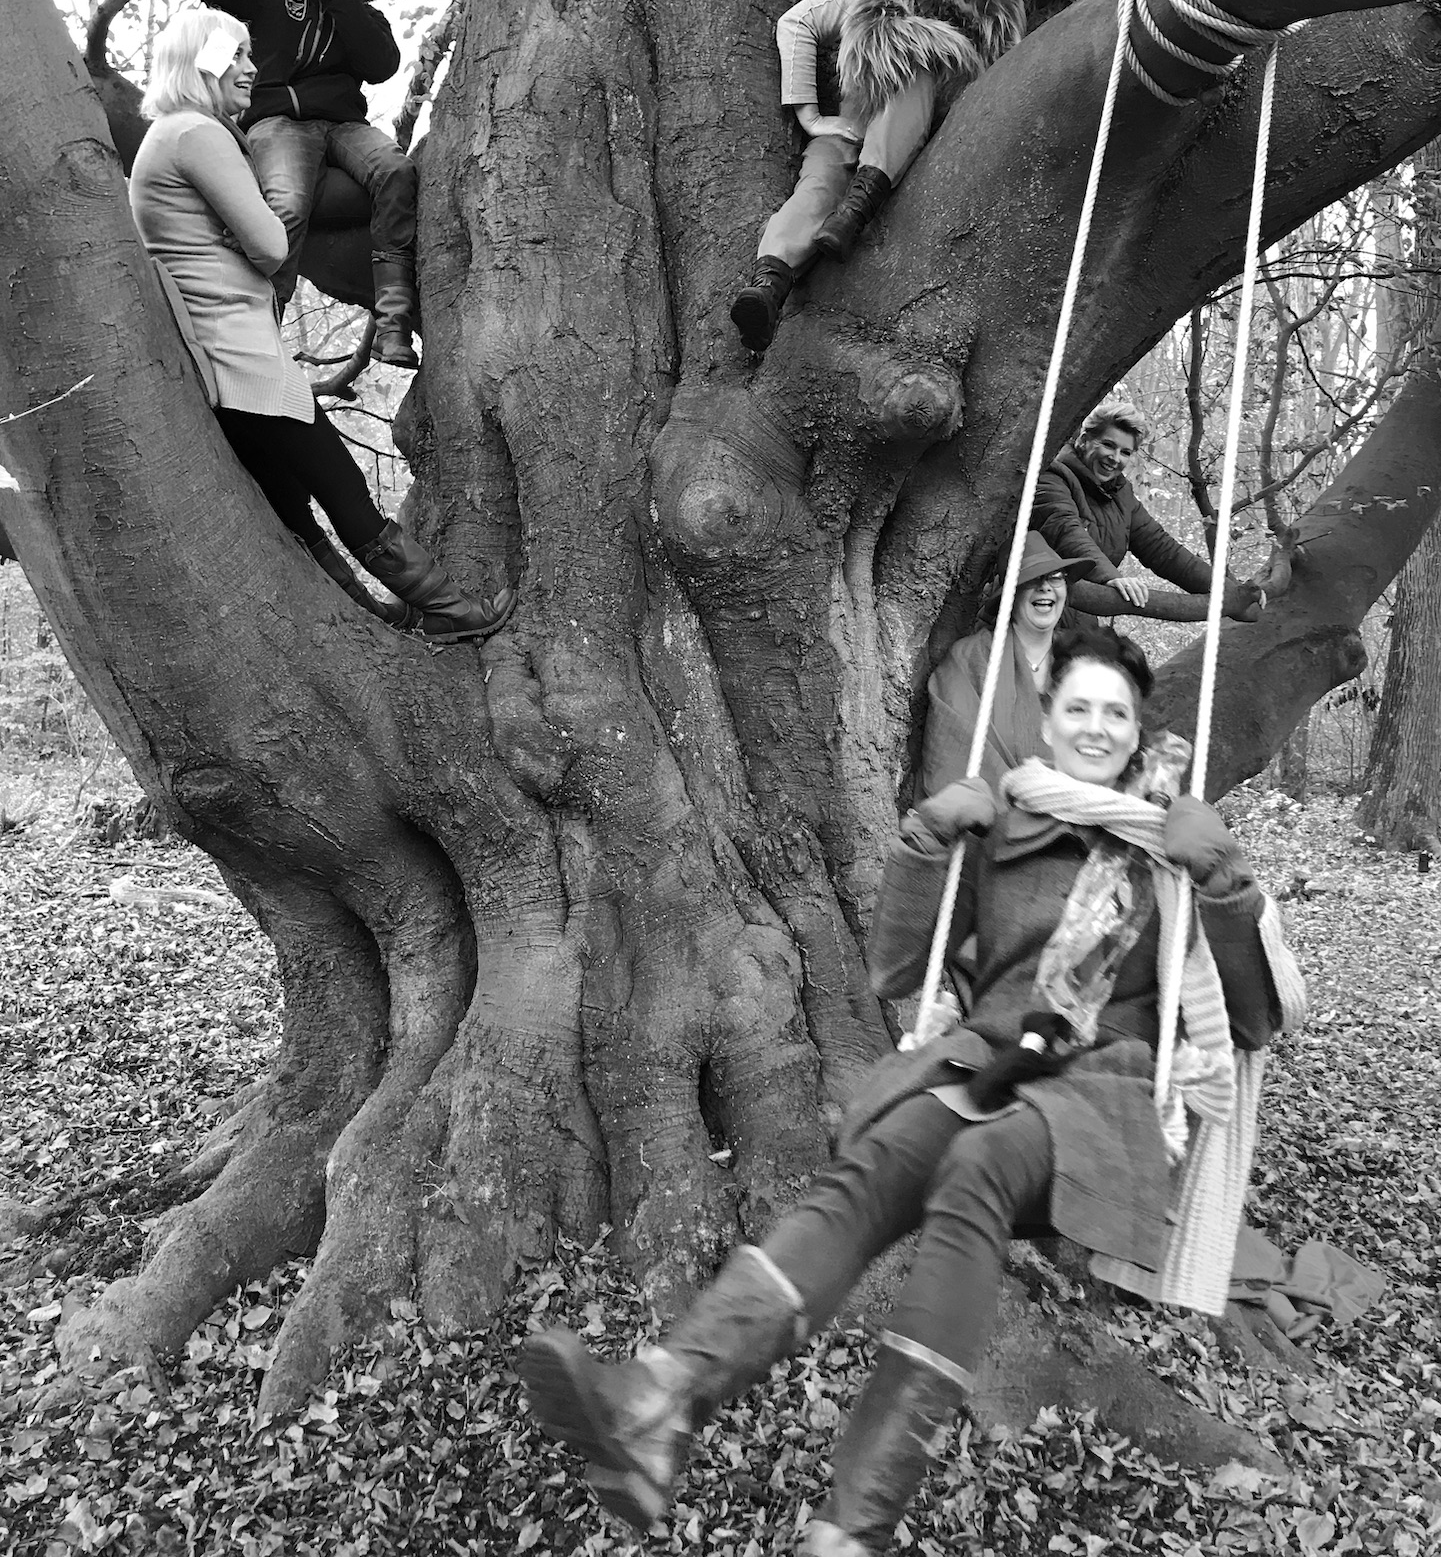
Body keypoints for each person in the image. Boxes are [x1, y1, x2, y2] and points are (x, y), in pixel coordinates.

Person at [518, 627, 1302, 1555]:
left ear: (1137, 731)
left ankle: (856, 1525)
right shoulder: (1009, 827)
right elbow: (896, 966)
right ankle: (659, 1404)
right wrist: (927, 842)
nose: (1096, 727)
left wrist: (1223, 881)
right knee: (876, 1165)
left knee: (979, 1164)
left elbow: (1252, 1020)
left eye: (1116, 714)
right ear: (1047, 719)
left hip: (1101, 1093)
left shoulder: (1167, 843)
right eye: (1078, 708)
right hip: (987, 1066)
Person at [128, 7, 512, 642]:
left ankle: (380, 620)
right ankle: (450, 612)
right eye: (236, 56)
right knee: (342, 487)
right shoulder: (195, 133)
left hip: (220, 361)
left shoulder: (167, 136)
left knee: (293, 510)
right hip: (243, 359)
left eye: (249, 54)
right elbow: (272, 245)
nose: (251, 68)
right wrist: (253, 231)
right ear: (203, 64)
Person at [730, 0, 1112, 353]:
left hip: (932, 127)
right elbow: (799, 20)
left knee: (922, 68)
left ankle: (857, 206)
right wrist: (810, 116)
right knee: (817, 184)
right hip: (859, 112)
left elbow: (1102, 2)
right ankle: (768, 287)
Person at [142, 0, 422, 369]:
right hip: (280, 125)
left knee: (397, 170)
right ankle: (261, 331)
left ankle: (393, 324)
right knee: (286, 203)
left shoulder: (357, 5)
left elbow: (381, 64)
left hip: (344, 126)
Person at [1032, 395, 1263, 622]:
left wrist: (1233, 593)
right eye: (1108, 445)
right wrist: (1110, 577)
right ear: (1084, 440)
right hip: (1032, 609)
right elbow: (1064, 529)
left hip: (1080, 619)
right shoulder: (1051, 475)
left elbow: (1162, 550)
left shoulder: (1120, 494)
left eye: (1125, 452)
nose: (1115, 458)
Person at [921, 530, 1092, 800]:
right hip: (996, 815)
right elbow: (951, 755)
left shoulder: (1084, 662)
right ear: (1009, 596)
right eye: (1032, 579)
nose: (1045, 587)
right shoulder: (971, 657)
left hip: (1078, 812)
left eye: (1055, 577)